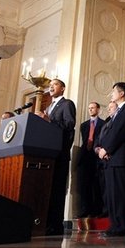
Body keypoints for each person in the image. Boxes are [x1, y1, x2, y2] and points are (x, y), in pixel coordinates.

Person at [95, 82, 125, 237]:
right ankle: (114, 226)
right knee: (112, 194)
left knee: (120, 194)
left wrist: (107, 149)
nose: (111, 95)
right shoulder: (119, 111)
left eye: (113, 91)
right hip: (112, 158)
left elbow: (119, 132)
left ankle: (120, 228)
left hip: (120, 158)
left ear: (121, 93)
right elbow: (109, 132)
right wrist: (103, 150)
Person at [36, 78, 76, 235]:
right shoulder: (49, 107)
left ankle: (56, 225)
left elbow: (69, 125)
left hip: (60, 153)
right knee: (48, 189)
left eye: (55, 84)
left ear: (63, 88)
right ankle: (45, 222)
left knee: (57, 189)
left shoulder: (67, 104)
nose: (51, 87)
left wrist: (48, 120)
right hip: (47, 154)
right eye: (50, 85)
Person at [76, 102, 105, 218]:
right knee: (84, 184)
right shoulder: (83, 125)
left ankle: (96, 209)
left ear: (98, 109)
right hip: (85, 156)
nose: (91, 110)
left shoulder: (104, 124)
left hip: (96, 156)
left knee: (96, 184)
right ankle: (85, 208)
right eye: (89, 108)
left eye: (93, 108)